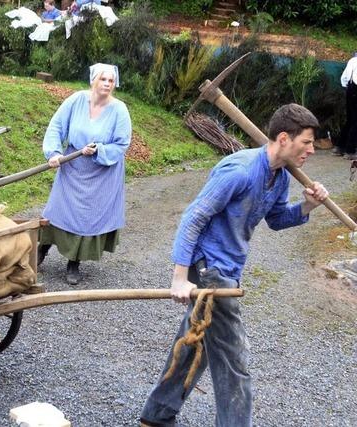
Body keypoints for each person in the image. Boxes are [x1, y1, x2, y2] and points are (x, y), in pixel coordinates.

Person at [139, 104, 329, 427]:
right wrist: (179, 278)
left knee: (194, 344)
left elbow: (277, 220)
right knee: (234, 361)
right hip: (210, 269)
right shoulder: (239, 171)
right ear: (284, 138)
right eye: (307, 142)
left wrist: (307, 205)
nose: (312, 150)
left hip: (228, 268)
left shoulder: (280, 177)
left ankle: (156, 415)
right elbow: (193, 218)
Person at [38, 63, 131, 285]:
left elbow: (121, 144)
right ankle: (40, 251)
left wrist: (99, 149)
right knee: (57, 210)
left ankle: (74, 263)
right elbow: (56, 127)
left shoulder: (119, 110)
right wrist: (54, 152)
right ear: (93, 81)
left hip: (101, 172)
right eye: (103, 79)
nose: (107, 84)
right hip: (72, 166)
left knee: (86, 218)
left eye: (111, 80)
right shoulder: (76, 100)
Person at [333, 53, 357, 159]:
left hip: (350, 89)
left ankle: (340, 147)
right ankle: (350, 151)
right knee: (356, 122)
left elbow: (343, 79)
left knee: (350, 120)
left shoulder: (352, 61)